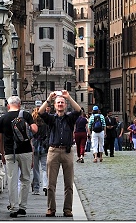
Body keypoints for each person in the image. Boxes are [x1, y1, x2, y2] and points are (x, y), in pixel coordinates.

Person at [37, 90, 82, 218]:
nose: (60, 104)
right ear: (55, 105)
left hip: (67, 151)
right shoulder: (51, 118)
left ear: (65, 105)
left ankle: (67, 209)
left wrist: (68, 97)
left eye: (62, 102)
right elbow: (40, 112)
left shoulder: (70, 118)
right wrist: (49, 99)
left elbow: (79, 111)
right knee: (51, 183)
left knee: (69, 183)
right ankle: (51, 209)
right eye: (58, 103)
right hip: (53, 151)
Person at [0, 96, 37, 217]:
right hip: (25, 151)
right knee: (25, 179)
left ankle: (13, 208)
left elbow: (0, 139)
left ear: (8, 106)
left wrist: (2, 153)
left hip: (10, 152)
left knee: (12, 180)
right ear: (19, 105)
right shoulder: (25, 115)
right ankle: (22, 207)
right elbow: (35, 130)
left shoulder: (3, 118)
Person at [30, 100, 48, 194]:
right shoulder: (45, 121)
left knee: (36, 169)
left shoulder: (32, 121)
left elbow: (30, 134)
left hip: (35, 146)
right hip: (44, 146)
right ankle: (45, 185)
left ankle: (36, 188)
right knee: (45, 168)